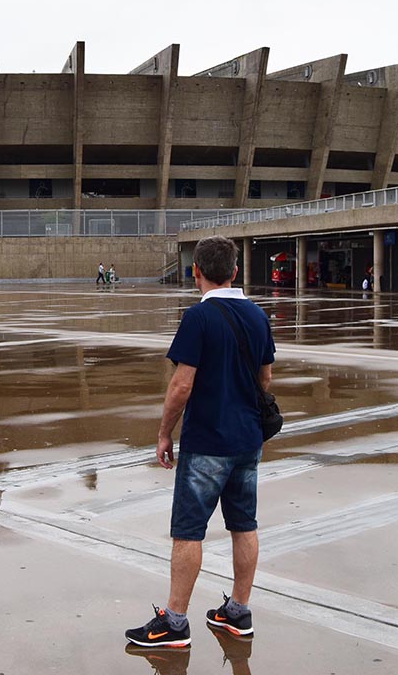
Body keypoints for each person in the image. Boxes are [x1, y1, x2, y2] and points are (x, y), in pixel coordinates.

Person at [125, 236, 276, 649]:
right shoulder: (259, 317)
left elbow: (181, 386)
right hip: (248, 441)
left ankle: (174, 624)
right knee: (244, 525)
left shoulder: (198, 318)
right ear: (235, 271)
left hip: (208, 440)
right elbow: (265, 381)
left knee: (188, 532)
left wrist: (163, 433)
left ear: (195, 271)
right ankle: (238, 612)